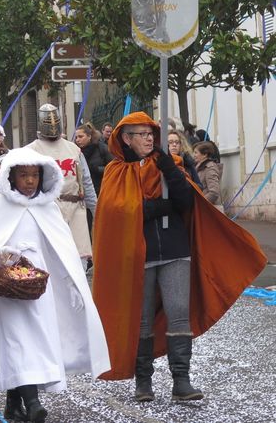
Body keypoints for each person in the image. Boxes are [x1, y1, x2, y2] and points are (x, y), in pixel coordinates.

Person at [92, 111, 267, 403]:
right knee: (143, 320)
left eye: (152, 133)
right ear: (125, 138)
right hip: (138, 254)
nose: (149, 138)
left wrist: (167, 169)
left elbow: (186, 200)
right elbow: (116, 214)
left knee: (178, 316)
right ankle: (144, 382)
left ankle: (181, 381)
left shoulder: (169, 164)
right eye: (142, 133)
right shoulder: (115, 172)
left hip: (175, 250)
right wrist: (153, 209)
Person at [0, 148, 110, 422]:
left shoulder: (48, 209)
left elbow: (60, 248)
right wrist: (2, 254)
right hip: (5, 292)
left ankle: (14, 403)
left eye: (34, 175)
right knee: (17, 342)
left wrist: (70, 281)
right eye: (23, 175)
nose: (29, 181)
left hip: (38, 290)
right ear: (10, 176)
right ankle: (32, 403)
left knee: (30, 343)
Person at [26, 103, 97, 271]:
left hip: (75, 209)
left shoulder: (73, 149)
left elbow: (85, 182)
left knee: (79, 261)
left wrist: (97, 212)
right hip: (47, 210)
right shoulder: (30, 151)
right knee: (52, 263)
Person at [74, 122, 113, 196]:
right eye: (76, 137)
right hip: (81, 193)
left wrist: (97, 169)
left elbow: (113, 168)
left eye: (80, 136)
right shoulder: (75, 151)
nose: (77, 140)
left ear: (89, 136)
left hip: (100, 191)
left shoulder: (101, 148)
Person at [193, 141, 224, 209]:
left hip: (210, 208)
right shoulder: (198, 166)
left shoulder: (210, 168)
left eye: (196, 152)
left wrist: (200, 203)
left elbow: (214, 192)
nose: (194, 155)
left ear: (205, 155)